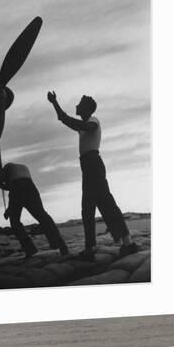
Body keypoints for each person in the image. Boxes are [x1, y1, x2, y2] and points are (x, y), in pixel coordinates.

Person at [47, 92, 138, 261]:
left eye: (79, 103)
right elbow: (63, 117)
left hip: (93, 165)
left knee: (107, 204)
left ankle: (128, 242)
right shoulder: (83, 126)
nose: (76, 105)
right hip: (87, 167)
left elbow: (87, 127)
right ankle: (91, 247)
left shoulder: (93, 121)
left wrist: (68, 118)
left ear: (87, 108)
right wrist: (54, 102)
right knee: (87, 208)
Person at [0, 162, 69, 258]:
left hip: (17, 187)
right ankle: (60, 244)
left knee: (15, 222)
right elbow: (18, 190)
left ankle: (29, 249)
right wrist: (9, 210)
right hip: (31, 187)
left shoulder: (6, 168)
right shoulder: (23, 167)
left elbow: (13, 189)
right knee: (42, 216)